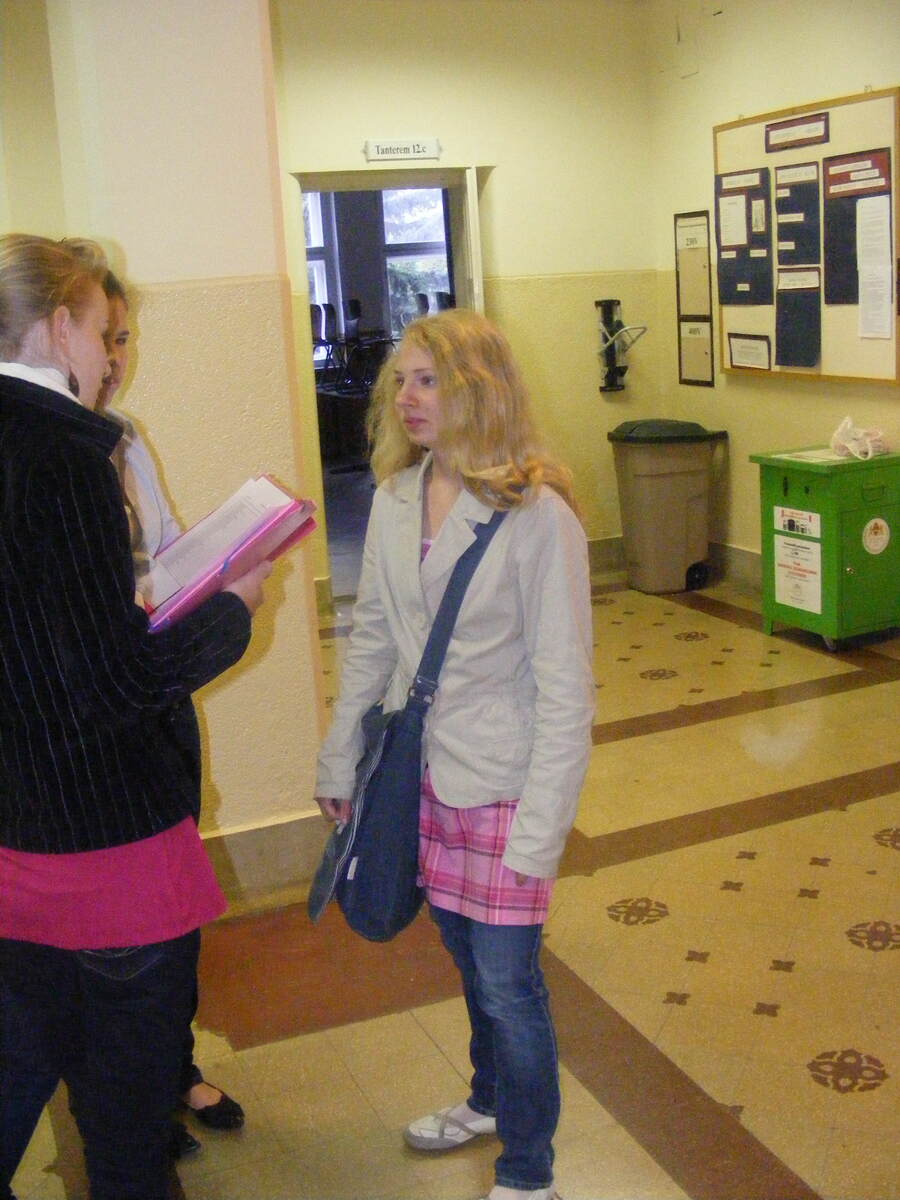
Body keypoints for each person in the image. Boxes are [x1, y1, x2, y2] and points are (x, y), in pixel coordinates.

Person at [0, 234, 271, 1200]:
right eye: (101, 330)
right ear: (56, 326)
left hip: (18, 826)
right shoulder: (70, 452)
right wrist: (234, 606)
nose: (110, 353)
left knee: (26, 1059)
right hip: (104, 841)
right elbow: (110, 685)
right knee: (125, 1122)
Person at [315, 310, 594, 1200]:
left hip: (506, 782)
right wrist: (338, 761)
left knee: (510, 982)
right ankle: (487, 1098)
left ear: (479, 390)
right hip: (423, 779)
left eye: (428, 380)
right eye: (400, 380)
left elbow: (566, 691)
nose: (407, 397)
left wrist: (541, 834)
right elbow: (373, 641)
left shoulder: (538, 517)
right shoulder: (396, 497)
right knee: (469, 963)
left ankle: (528, 1169)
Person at [94, 261, 246, 1153]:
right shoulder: (41, 454)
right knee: (113, 930)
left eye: (124, 337)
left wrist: (220, 565)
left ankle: (174, 1065)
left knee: (176, 900)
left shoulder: (125, 438)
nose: (116, 357)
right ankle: (128, 1098)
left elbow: (165, 546)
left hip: (158, 704)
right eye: (102, 336)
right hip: (96, 722)